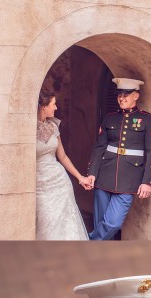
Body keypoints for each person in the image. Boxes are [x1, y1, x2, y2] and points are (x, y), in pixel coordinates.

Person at [86, 78, 151, 240]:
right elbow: (99, 148)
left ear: (136, 96)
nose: (122, 98)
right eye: (119, 94)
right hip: (103, 176)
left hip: (129, 179)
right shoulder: (109, 118)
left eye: (127, 94)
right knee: (101, 223)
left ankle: (88, 241)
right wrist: (92, 173)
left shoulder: (147, 120)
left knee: (112, 224)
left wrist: (147, 181)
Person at [36, 89, 90, 240]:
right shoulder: (26, 129)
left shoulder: (53, 126)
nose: (56, 108)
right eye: (53, 104)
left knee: (66, 224)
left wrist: (80, 178)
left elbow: (63, 156)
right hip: (39, 185)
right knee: (45, 222)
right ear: (43, 107)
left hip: (60, 182)